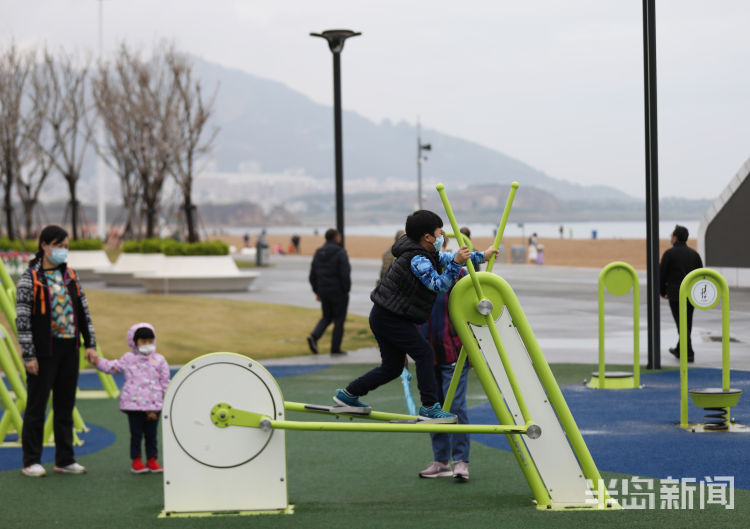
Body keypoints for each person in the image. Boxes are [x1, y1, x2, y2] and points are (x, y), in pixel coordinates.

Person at [333, 210, 498, 423]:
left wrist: (481, 256)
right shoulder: (417, 258)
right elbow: (438, 285)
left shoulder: (425, 253)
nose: (443, 237)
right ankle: (429, 406)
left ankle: (348, 394)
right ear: (427, 237)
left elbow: (448, 258)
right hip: (389, 318)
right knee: (424, 353)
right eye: (440, 233)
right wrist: (457, 264)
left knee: (392, 368)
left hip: (387, 316)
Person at [16, 225, 98, 477]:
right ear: (44, 245)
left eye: (66, 247)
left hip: (69, 348)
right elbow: (22, 320)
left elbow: (83, 312)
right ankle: (31, 461)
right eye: (58, 246)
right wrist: (29, 354)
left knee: (65, 405)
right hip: (43, 352)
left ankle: (65, 459)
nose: (63, 251)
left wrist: (90, 343)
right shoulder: (29, 279)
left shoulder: (70, 276)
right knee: (36, 406)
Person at [418, 241, 471, 481]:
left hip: (452, 349)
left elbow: (471, 307)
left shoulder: (458, 272)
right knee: (433, 407)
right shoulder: (417, 269)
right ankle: (441, 460)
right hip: (425, 349)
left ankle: (460, 460)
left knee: (456, 405)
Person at [89, 323, 170, 473]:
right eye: (143, 342)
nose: (147, 345)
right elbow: (112, 367)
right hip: (134, 405)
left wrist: (167, 401)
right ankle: (137, 460)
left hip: (154, 405)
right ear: (135, 342)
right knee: (136, 434)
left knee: (152, 435)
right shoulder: (129, 358)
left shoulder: (160, 360)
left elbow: (165, 382)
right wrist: (97, 361)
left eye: (150, 341)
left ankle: (152, 460)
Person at [660, 225, 703, 362]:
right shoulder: (694, 254)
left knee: (681, 323)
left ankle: (688, 352)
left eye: (671, 235)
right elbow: (701, 275)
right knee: (687, 322)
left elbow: (662, 275)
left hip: (675, 294)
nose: (670, 238)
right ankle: (680, 349)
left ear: (676, 238)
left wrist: (662, 291)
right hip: (691, 294)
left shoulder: (669, 254)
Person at [307, 228, 351, 356]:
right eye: (339, 236)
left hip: (324, 291)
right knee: (339, 320)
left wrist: (317, 290)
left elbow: (312, 275)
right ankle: (335, 348)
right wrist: (346, 290)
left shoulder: (318, 252)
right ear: (336, 237)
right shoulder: (340, 252)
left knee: (326, 317)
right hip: (338, 292)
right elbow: (345, 274)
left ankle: (314, 336)